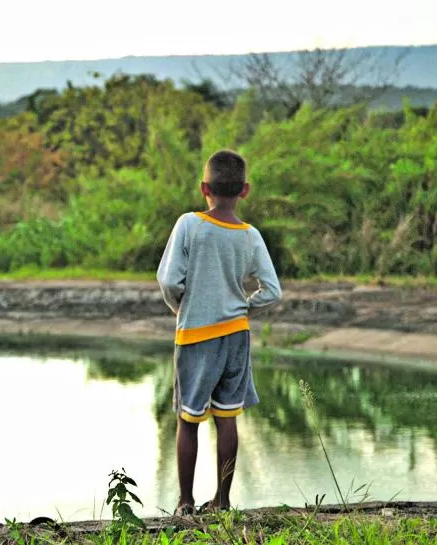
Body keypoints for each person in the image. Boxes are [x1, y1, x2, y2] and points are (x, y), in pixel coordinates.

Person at [156, 149, 282, 516]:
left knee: (188, 418)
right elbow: (272, 290)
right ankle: (223, 501)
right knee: (227, 417)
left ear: (204, 187)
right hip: (236, 336)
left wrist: (181, 308)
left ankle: (185, 502)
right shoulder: (250, 235)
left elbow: (168, 279)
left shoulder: (189, 224)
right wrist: (243, 308)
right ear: (245, 190)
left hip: (196, 335)